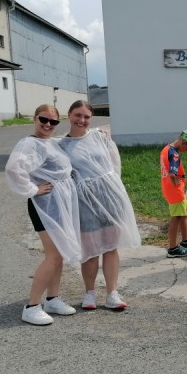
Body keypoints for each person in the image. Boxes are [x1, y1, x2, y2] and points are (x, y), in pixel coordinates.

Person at [58, 100, 141, 311]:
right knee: (90, 249)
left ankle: (112, 293)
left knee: (111, 247)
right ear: (69, 115)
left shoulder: (100, 136)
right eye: (78, 115)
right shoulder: (61, 146)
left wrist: (116, 192)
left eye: (86, 117)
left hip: (109, 197)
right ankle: (90, 293)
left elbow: (115, 165)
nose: (82, 120)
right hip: (84, 201)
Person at [5, 104, 82, 325]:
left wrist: (98, 133)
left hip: (59, 205)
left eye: (53, 121)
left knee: (59, 254)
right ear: (34, 119)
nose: (48, 125)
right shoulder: (29, 144)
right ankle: (32, 306)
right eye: (43, 119)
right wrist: (33, 190)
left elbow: (74, 140)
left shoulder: (50, 142)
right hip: (45, 206)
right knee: (54, 256)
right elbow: (14, 169)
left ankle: (52, 299)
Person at [160, 131, 187, 258]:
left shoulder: (166, 149)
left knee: (185, 211)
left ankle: (186, 240)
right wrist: (175, 182)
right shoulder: (174, 154)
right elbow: (172, 174)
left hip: (171, 189)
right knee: (176, 218)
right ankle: (173, 248)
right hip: (175, 191)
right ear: (184, 143)